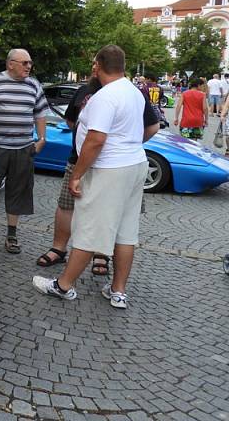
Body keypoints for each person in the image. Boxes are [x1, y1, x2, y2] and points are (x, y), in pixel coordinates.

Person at [33, 45, 157, 309]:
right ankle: (118, 291)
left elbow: (96, 139)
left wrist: (77, 174)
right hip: (135, 165)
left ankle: (63, 286)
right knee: (126, 233)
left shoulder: (104, 97)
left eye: (93, 63)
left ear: (98, 65)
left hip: (109, 170)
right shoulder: (134, 93)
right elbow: (149, 127)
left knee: (90, 229)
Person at [0, 48, 49, 254]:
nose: (29, 66)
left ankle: (11, 234)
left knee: (18, 192)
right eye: (24, 63)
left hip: (23, 149)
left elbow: (41, 112)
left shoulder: (34, 85)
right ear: (10, 64)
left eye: (30, 62)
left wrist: (42, 139)